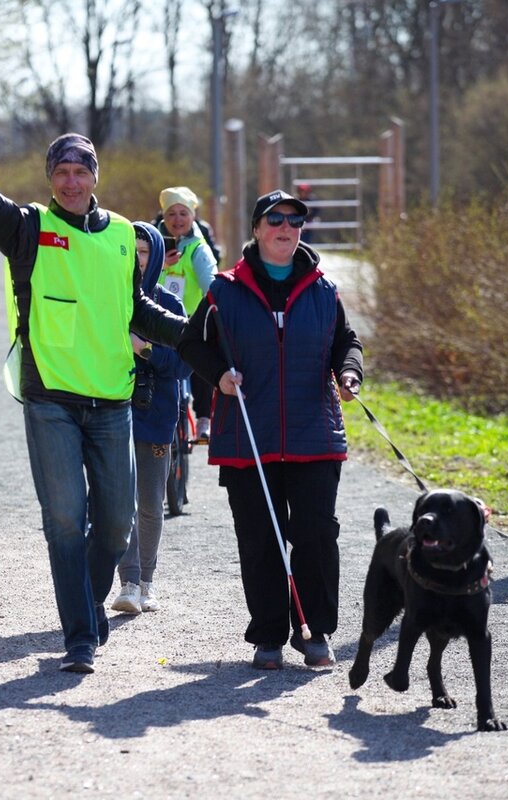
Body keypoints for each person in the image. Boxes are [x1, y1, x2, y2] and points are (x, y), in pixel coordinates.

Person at [0, 98, 184, 673]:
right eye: (62, 172)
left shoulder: (122, 238)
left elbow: (137, 310)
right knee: (64, 519)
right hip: (50, 399)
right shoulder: (31, 227)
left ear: (96, 178)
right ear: (50, 180)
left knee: (115, 524)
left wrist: (201, 332)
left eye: (81, 171)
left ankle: (86, 602)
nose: (72, 181)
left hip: (111, 400)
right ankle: (79, 635)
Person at [177, 189, 364, 670]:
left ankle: (315, 632)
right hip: (248, 439)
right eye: (275, 220)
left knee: (316, 534)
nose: (286, 228)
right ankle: (268, 636)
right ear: (257, 230)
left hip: (314, 435)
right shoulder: (224, 290)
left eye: (295, 222)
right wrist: (219, 375)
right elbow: (191, 345)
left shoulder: (324, 290)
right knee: (261, 538)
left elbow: (347, 341)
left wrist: (349, 373)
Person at [110, 222, 192, 615]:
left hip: (157, 416)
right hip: (112, 415)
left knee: (150, 504)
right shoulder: (107, 300)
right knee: (117, 503)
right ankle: (126, 582)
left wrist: (144, 350)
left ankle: (146, 581)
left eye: (145, 252)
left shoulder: (171, 307)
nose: (139, 259)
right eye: (133, 250)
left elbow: (182, 365)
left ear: (157, 256)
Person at [154, 187, 218, 444]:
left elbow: (209, 279)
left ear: (193, 217)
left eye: (183, 213)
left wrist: (215, 298)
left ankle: (204, 419)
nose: (177, 219)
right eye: (171, 214)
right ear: (163, 217)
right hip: (156, 321)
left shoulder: (198, 248)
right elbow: (138, 273)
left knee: (201, 362)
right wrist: (162, 264)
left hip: (192, 320)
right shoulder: (152, 241)